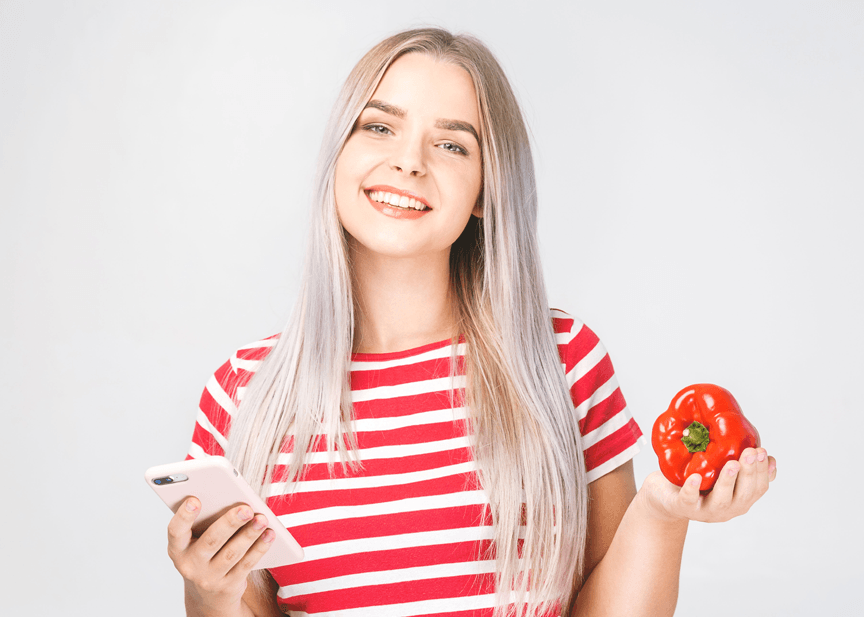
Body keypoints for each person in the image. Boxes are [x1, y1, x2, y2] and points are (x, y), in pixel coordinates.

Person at [165, 28, 776, 617]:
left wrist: (661, 514)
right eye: (378, 126)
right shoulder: (244, 392)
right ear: (338, 156)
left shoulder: (564, 361)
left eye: (451, 144)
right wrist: (209, 597)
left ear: (487, 189)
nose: (408, 162)